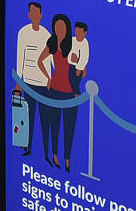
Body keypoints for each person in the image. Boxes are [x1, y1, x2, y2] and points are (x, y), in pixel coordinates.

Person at [36, 14, 79, 172]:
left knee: (69, 127)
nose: (59, 30)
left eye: (62, 27)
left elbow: (83, 70)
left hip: (70, 93)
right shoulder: (52, 44)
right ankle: (55, 154)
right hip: (54, 90)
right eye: (57, 27)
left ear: (67, 28)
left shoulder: (73, 46)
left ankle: (67, 158)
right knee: (54, 125)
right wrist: (48, 77)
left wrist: (78, 64)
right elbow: (40, 60)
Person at [14, 2, 52, 159]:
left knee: (45, 118)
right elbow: (20, 57)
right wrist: (19, 80)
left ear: (41, 15)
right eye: (32, 12)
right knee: (28, 118)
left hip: (44, 83)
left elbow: (52, 59)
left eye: (37, 13)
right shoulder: (23, 33)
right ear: (29, 15)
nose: (35, 15)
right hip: (28, 82)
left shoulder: (46, 34)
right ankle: (27, 147)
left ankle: (45, 152)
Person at [69, 21, 89, 89]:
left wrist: (79, 68)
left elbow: (84, 58)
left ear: (85, 33)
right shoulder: (72, 40)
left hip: (78, 67)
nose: (78, 34)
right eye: (76, 31)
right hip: (69, 65)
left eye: (80, 32)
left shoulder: (85, 43)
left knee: (75, 85)